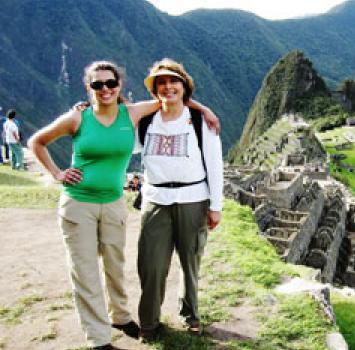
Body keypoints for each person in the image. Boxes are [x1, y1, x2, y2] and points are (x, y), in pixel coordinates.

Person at [28, 60, 219, 350]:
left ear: (119, 86)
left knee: (127, 265)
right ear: (88, 87)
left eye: (110, 83)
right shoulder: (96, 118)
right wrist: (57, 173)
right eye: (97, 84)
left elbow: (174, 100)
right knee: (111, 269)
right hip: (97, 202)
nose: (104, 89)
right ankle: (112, 333)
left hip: (136, 202)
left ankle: (139, 315)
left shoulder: (151, 116)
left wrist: (204, 109)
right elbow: (38, 141)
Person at [136, 58, 223, 341]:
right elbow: (115, 126)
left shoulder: (199, 122)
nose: (168, 86)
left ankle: (190, 314)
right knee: (151, 264)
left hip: (193, 198)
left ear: (184, 86)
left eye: (174, 81)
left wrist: (215, 206)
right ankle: (149, 322)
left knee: (190, 261)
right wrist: (87, 110)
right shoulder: (146, 121)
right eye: (161, 82)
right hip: (156, 198)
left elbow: (215, 164)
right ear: (154, 89)